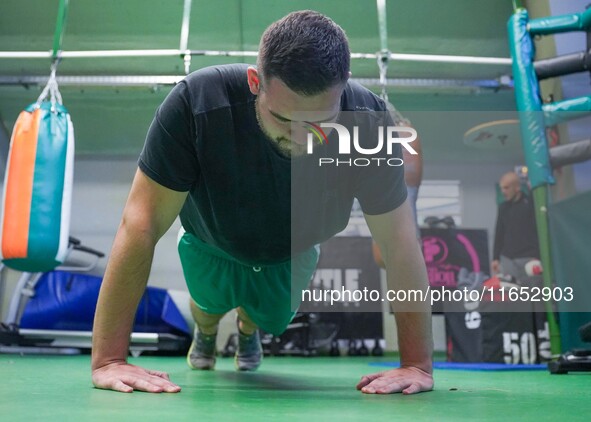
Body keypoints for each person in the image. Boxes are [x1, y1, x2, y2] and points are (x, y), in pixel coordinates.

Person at [91, 10, 433, 395]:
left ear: (343, 89)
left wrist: (416, 365)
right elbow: (140, 223)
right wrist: (109, 360)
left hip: (291, 252)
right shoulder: (196, 103)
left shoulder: (369, 123)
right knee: (207, 304)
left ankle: (247, 328)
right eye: (285, 120)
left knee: (269, 317)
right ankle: (205, 333)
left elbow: (400, 242)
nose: (304, 138)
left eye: (320, 122)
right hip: (211, 241)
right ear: (256, 82)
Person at [491, 171, 540, 282]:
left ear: (517, 188)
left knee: (532, 293)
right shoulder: (503, 208)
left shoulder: (530, 204)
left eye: (506, 188)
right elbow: (499, 232)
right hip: (508, 258)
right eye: (502, 188)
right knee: (512, 295)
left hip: (528, 257)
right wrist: (495, 258)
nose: (503, 191)